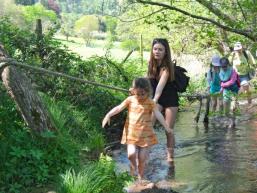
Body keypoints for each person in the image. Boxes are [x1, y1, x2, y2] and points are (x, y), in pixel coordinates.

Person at [102, 77, 172, 183]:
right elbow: (119, 108)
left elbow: (158, 114)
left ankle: (140, 177)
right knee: (131, 154)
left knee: (142, 158)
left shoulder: (150, 103)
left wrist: (167, 127)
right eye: (137, 94)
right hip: (131, 134)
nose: (139, 96)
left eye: (142, 94)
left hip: (145, 135)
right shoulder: (130, 100)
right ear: (134, 91)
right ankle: (133, 170)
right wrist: (108, 115)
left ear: (148, 92)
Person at [147, 38, 178, 164]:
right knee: (148, 126)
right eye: (155, 49)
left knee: (168, 129)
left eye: (160, 49)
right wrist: (135, 88)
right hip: (157, 100)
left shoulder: (167, 68)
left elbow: (160, 86)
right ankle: (146, 153)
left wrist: (153, 100)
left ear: (166, 52)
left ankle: (170, 157)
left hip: (170, 99)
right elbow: (146, 81)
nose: (157, 51)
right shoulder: (151, 64)